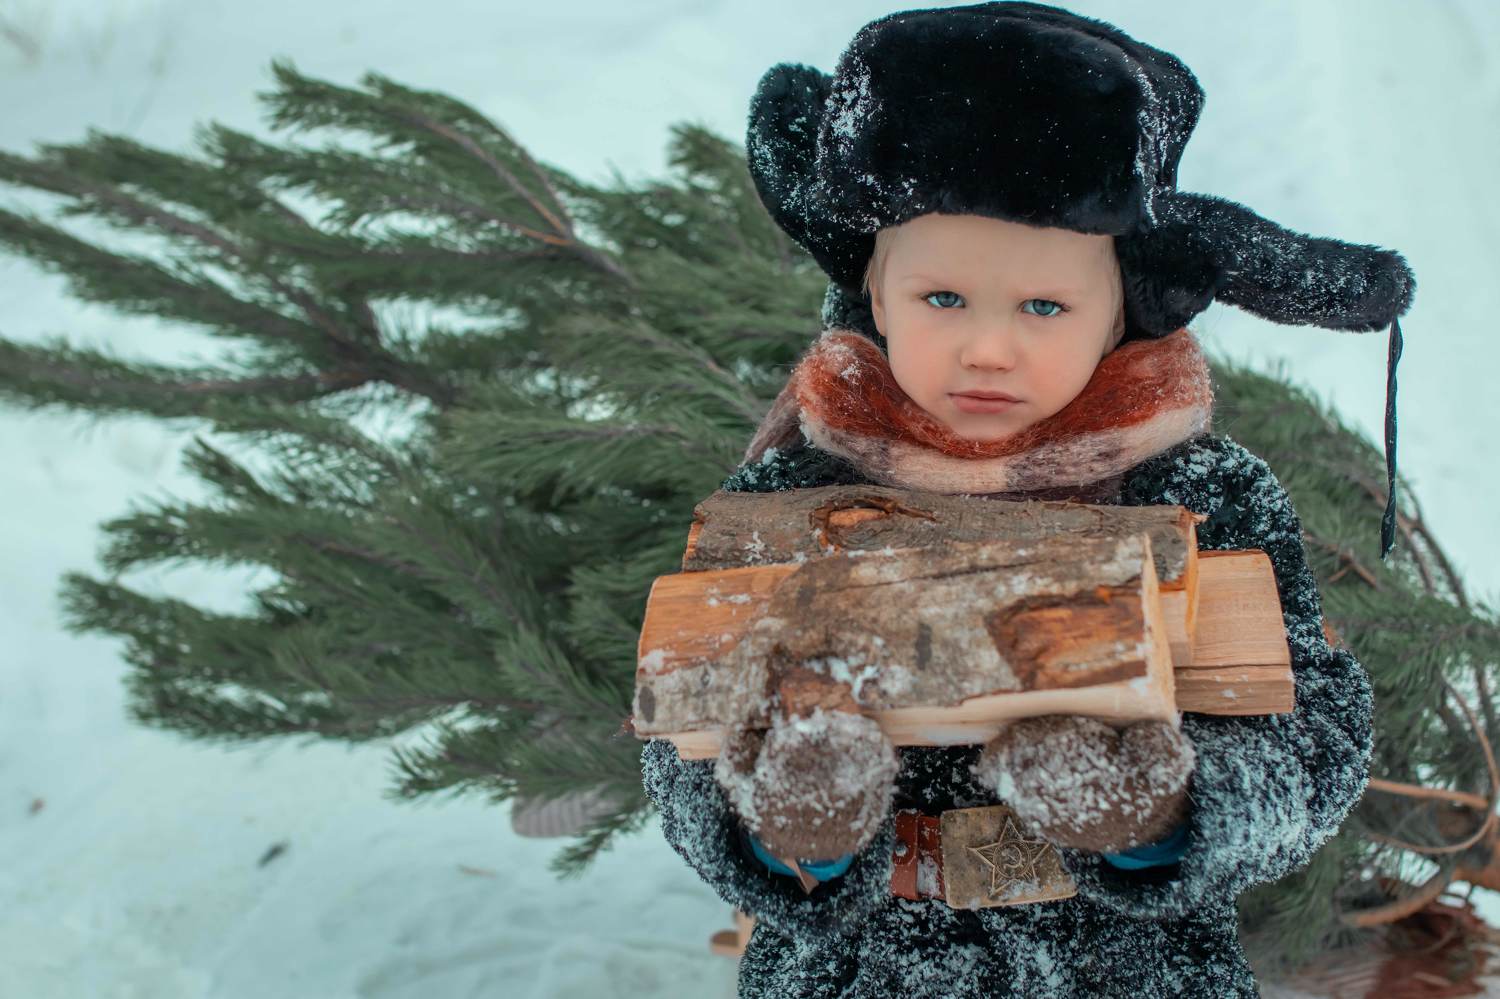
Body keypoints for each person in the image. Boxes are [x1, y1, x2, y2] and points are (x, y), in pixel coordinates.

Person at [641, 3, 1413, 995]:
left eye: (1044, 306)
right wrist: (788, 819)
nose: (989, 347)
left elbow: (1315, 735)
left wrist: (1158, 811)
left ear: (1118, 309)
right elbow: (680, 736)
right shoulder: (794, 490)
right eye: (943, 298)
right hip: (862, 966)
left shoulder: (1203, 494)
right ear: (877, 295)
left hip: (1124, 967)